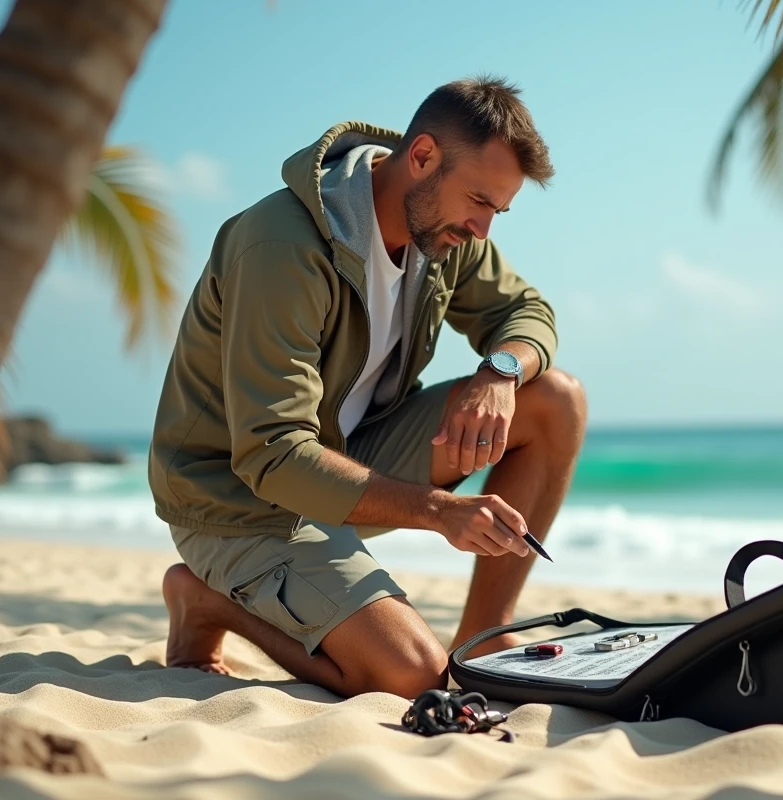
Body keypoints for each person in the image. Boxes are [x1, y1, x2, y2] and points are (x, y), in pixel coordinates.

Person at [148, 75, 586, 699]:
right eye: (478, 200)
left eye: (498, 209)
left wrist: (499, 373)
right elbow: (274, 454)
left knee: (556, 401)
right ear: (423, 156)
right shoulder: (281, 245)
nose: (483, 228)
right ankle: (208, 601)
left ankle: (485, 635)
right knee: (411, 676)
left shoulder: (443, 230)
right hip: (240, 497)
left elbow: (527, 312)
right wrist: (438, 511)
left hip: (349, 454)